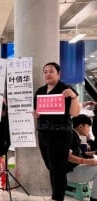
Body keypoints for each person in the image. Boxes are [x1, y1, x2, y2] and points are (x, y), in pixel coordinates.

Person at [33, 62, 81, 201]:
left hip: (60, 135)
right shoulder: (40, 91)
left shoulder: (66, 89)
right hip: (43, 134)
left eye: (51, 71)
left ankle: (57, 197)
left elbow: (75, 113)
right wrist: (36, 114)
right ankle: (57, 195)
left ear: (58, 74)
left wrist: (74, 97)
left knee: (57, 169)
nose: (48, 74)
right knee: (51, 166)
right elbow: (38, 111)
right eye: (45, 71)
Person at [67, 114, 97, 201]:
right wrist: (87, 162)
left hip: (75, 168)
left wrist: (94, 153)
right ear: (80, 126)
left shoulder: (78, 136)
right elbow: (67, 156)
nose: (89, 130)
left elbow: (83, 153)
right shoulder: (70, 136)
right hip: (69, 172)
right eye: (88, 127)